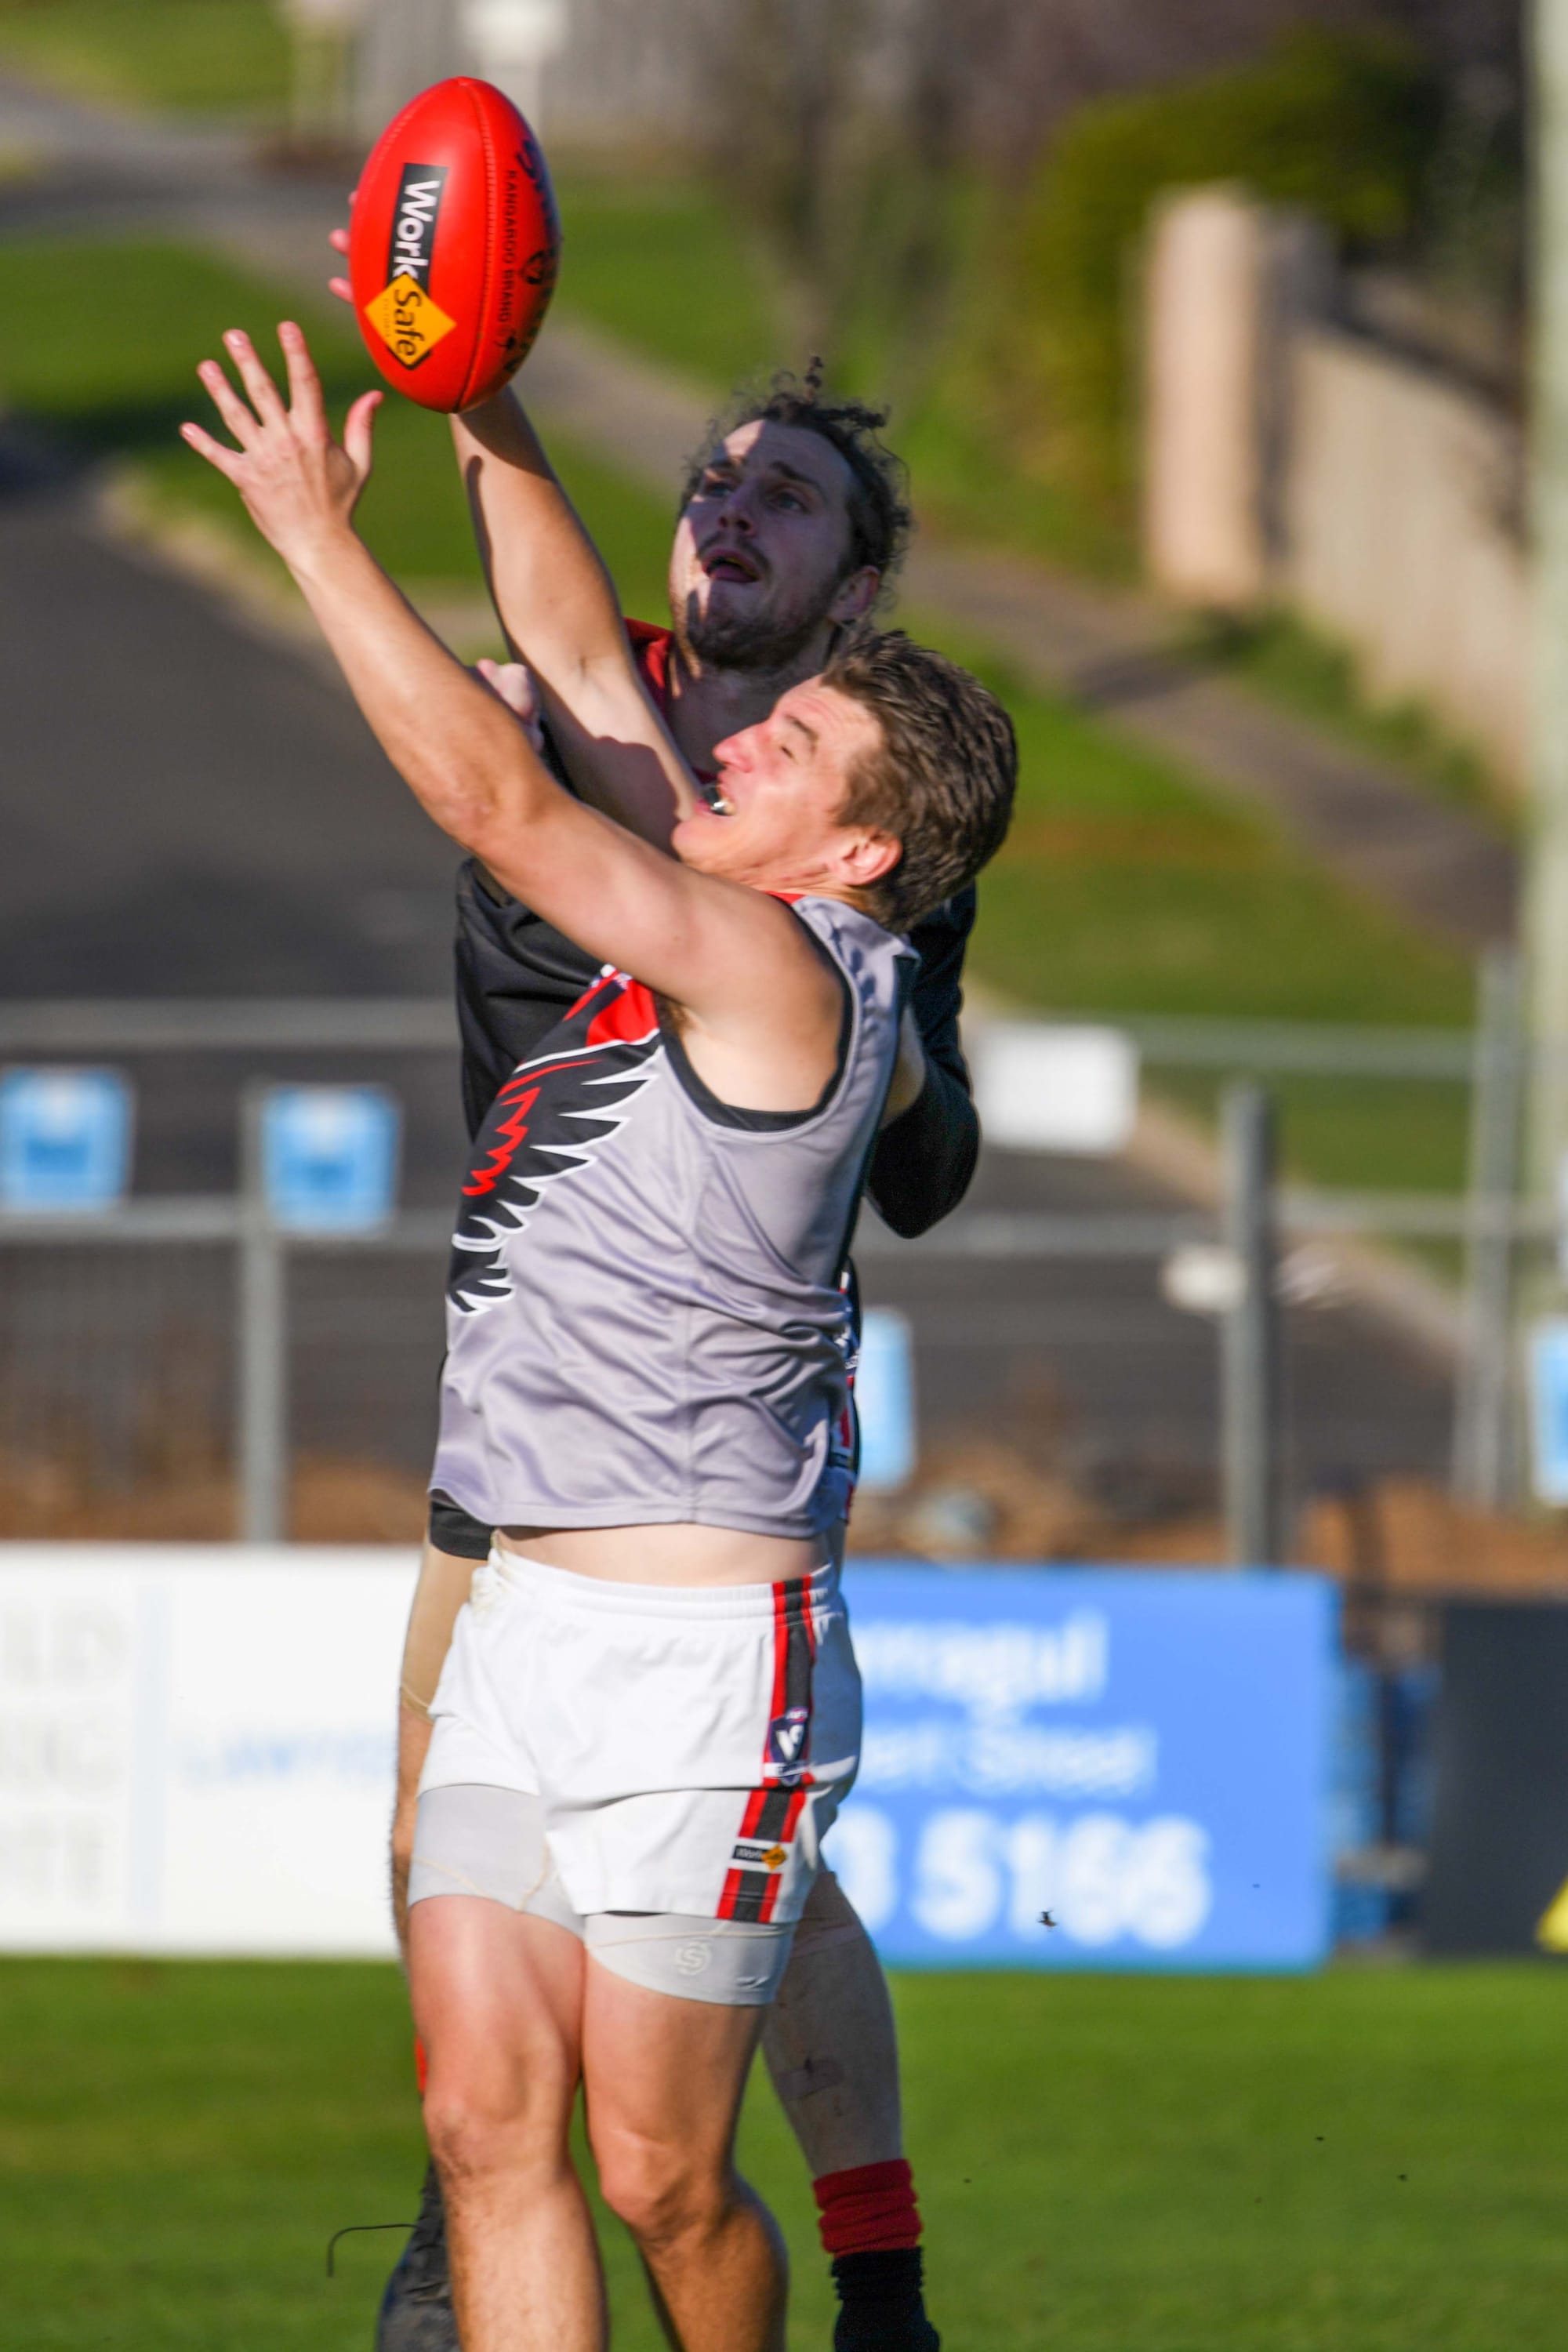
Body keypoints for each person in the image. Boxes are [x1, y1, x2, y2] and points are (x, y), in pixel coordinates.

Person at [182, 319, 1015, 2352]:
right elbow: (568, 668)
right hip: (532, 1584)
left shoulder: (787, 954)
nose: (720, 747)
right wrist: (473, 372)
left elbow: (503, 786)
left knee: (657, 2175)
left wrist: (313, 536)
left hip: (697, 1642)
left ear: (857, 853)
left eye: (781, 752)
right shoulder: (721, 856)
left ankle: (871, 2283)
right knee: (490, 2131)